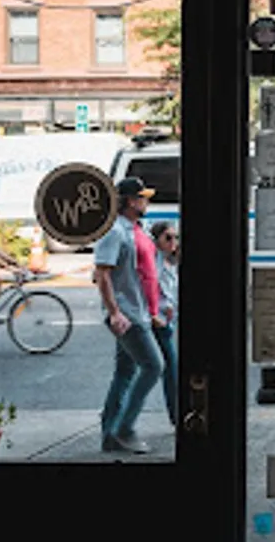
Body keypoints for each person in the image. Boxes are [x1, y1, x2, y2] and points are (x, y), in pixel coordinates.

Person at [94, 177, 165, 454]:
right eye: (142, 197)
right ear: (129, 201)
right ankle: (125, 428)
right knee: (153, 366)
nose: (146, 201)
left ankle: (110, 432)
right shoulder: (114, 232)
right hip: (128, 315)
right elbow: (102, 273)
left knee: (125, 371)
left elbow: (145, 272)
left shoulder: (136, 228)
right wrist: (114, 312)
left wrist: (155, 309)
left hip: (139, 311)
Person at [150, 221, 180, 427]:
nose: (173, 242)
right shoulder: (155, 262)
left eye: (175, 237)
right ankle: (176, 415)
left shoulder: (170, 261)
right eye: (167, 238)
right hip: (158, 320)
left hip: (168, 320)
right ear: (157, 240)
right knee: (170, 367)